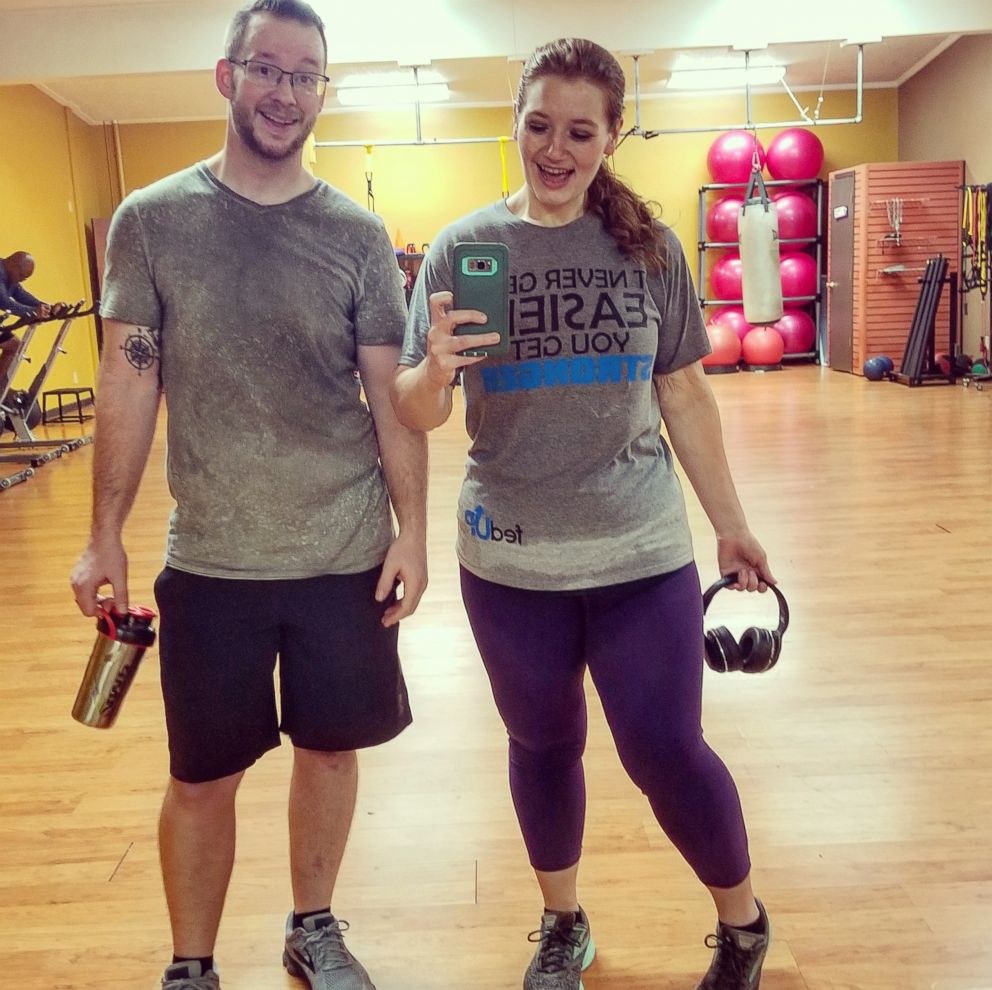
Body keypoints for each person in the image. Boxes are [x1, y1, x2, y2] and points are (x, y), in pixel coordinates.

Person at [391, 37, 776, 990]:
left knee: (666, 751)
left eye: (579, 131)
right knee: (542, 744)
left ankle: (743, 925)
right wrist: (436, 366)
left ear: (610, 137)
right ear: (514, 123)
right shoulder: (463, 248)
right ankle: (563, 923)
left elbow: (684, 392)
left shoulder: (647, 249)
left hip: (640, 553)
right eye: (538, 126)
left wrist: (729, 522)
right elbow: (413, 407)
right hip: (509, 561)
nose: (554, 150)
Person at [69, 2, 427, 989]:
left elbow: (391, 398)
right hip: (213, 558)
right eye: (266, 69)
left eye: (304, 74)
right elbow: (130, 378)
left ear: (322, 90)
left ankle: (312, 926)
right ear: (226, 78)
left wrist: (414, 532)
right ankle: (192, 963)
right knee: (200, 777)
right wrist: (103, 533)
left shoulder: (356, 236)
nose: (284, 90)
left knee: (328, 753)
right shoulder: (152, 221)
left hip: (343, 552)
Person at [0, 251, 58, 387]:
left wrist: (48, 307)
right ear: (13, 264)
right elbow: (4, 302)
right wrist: (34, 312)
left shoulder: (10, 277)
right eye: (21, 276)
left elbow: (22, 295)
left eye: (24, 279)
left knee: (14, 345)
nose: (20, 280)